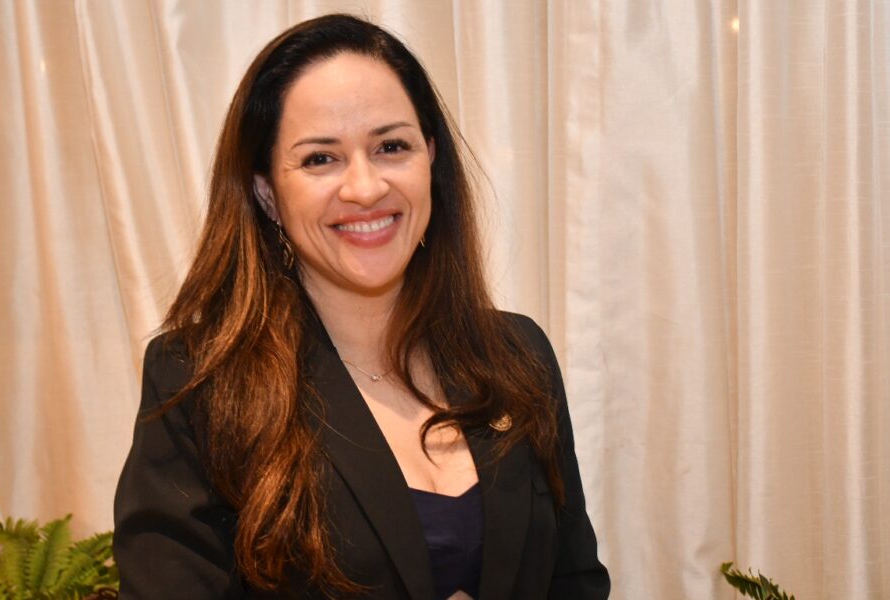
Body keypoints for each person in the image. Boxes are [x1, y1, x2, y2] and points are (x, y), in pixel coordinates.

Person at [113, 13, 610, 600]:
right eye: (320, 159)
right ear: (267, 193)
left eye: (391, 147)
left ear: (430, 159)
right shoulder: (200, 382)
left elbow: (575, 581)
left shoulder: (518, 354)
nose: (366, 187)